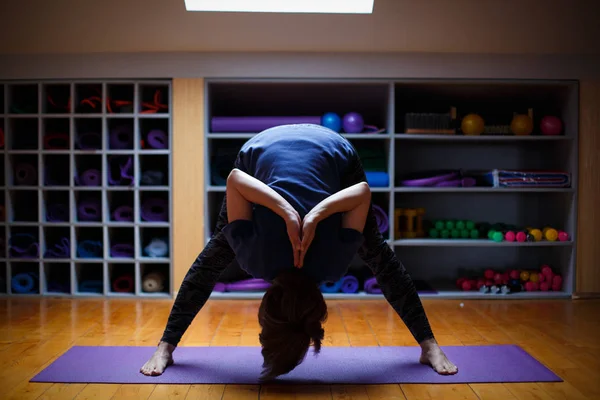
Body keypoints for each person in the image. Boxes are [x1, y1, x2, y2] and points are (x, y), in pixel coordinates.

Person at [140, 124, 458, 380]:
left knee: (379, 257)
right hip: (310, 151)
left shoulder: (330, 263)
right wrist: (303, 212)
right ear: (265, 311)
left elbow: (237, 179)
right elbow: (235, 182)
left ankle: (165, 347)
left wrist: (303, 212)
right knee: (379, 257)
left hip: (273, 151)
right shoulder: (255, 257)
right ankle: (429, 346)